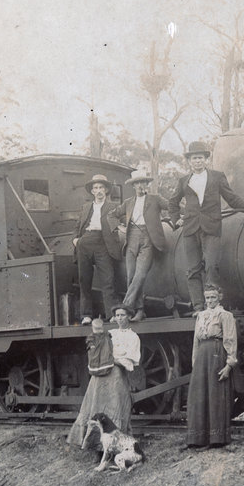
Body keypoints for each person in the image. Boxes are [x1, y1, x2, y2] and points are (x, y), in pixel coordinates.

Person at [168, 141, 244, 312]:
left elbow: (230, 197)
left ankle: (212, 304)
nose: (197, 161)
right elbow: (173, 202)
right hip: (190, 229)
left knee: (211, 265)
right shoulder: (184, 181)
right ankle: (198, 306)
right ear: (189, 161)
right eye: (194, 158)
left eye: (200, 158)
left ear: (205, 159)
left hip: (211, 227)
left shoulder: (217, 177)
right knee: (192, 270)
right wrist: (175, 219)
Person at [66, 307, 140, 447]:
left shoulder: (133, 337)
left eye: (122, 315)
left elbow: (129, 361)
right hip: (100, 377)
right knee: (95, 408)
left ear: (129, 317)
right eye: (117, 315)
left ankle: (115, 446)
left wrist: (110, 359)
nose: (119, 318)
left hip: (116, 376)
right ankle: (95, 445)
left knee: (115, 409)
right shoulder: (109, 333)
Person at [109, 170, 169, 322]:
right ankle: (139, 311)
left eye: (143, 182)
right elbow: (111, 215)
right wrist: (118, 227)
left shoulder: (155, 199)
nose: (141, 186)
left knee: (140, 275)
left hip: (148, 239)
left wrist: (186, 215)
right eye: (137, 183)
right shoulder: (128, 202)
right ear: (133, 186)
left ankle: (125, 307)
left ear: (147, 184)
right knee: (131, 277)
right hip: (130, 240)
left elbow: (172, 206)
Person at [184, 285, 239, 450]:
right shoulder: (200, 316)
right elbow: (196, 342)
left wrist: (229, 365)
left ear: (219, 297)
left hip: (216, 354)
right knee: (199, 395)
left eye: (213, 297)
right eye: (207, 298)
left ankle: (217, 438)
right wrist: (195, 363)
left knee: (216, 394)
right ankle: (198, 439)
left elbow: (230, 340)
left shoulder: (225, 315)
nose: (210, 301)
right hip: (202, 355)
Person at [72, 174, 122, 324]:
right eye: (95, 188)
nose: (98, 190)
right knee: (84, 280)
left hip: (103, 242)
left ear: (106, 190)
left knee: (108, 279)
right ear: (92, 191)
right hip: (85, 242)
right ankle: (86, 315)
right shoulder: (86, 207)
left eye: (101, 187)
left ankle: (111, 314)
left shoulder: (113, 206)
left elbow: (122, 221)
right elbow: (78, 225)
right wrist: (75, 239)